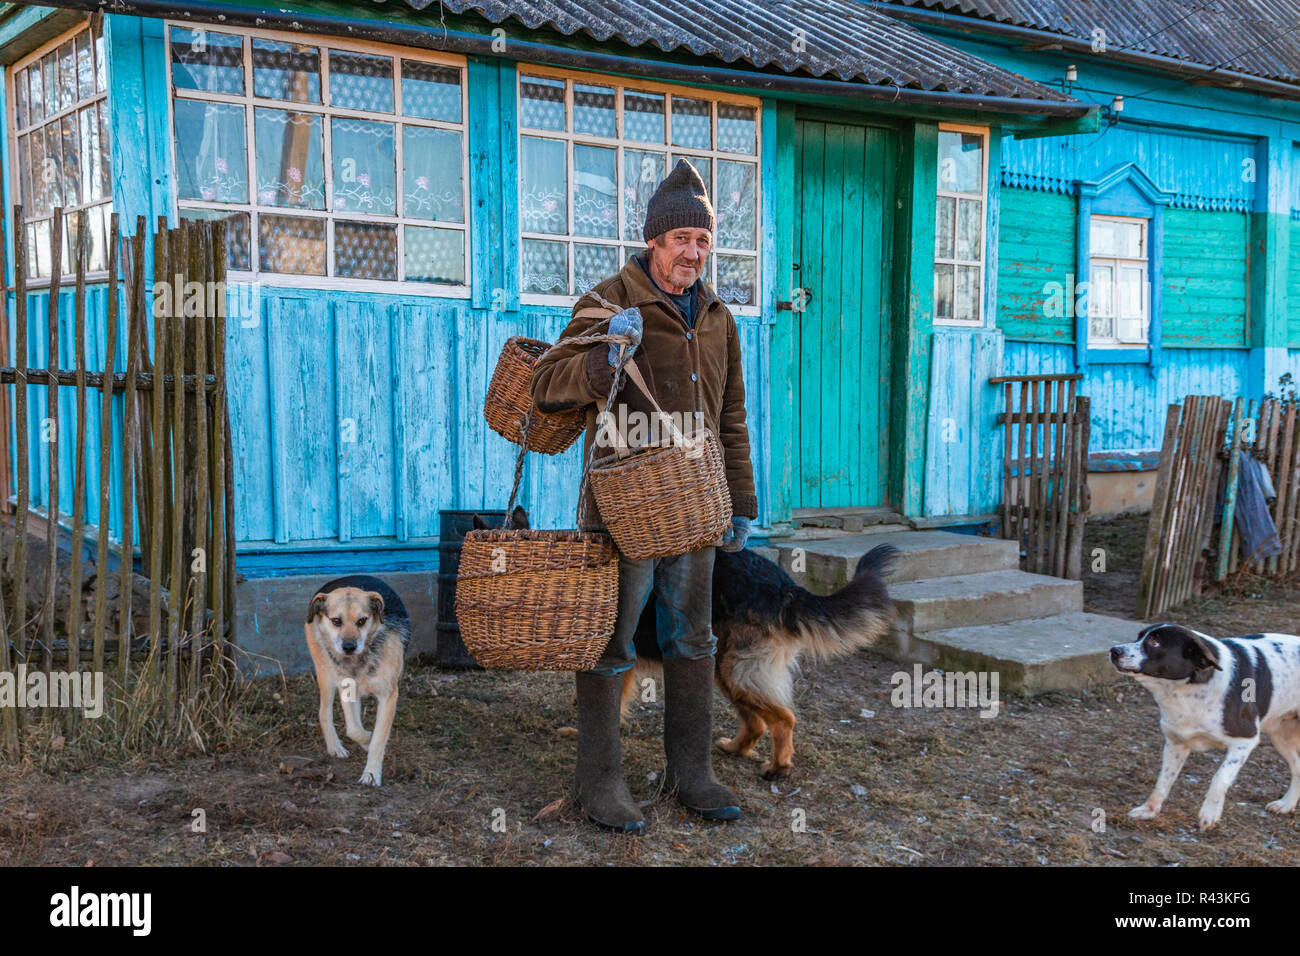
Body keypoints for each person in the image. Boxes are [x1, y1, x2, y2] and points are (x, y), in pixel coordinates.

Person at [531, 159, 757, 834]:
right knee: (610, 643)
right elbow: (548, 384)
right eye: (681, 238)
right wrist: (604, 361)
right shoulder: (608, 301)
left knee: (693, 639)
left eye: (703, 240)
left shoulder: (718, 318)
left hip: (694, 508)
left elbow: (732, 418)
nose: (693, 252)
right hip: (620, 511)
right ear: (654, 241)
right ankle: (599, 782)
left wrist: (741, 502)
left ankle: (692, 773)